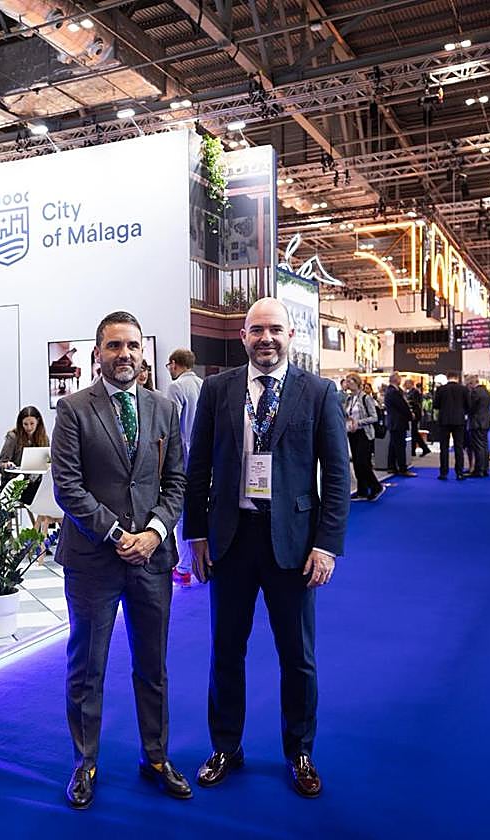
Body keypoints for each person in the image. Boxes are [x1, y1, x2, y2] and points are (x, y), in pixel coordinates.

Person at [183, 297, 349, 799]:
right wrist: (195, 535)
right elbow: (198, 469)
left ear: (291, 335)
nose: (266, 339)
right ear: (243, 337)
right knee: (225, 651)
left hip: (294, 547)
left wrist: (327, 544)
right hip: (231, 541)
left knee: (297, 656)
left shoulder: (318, 392)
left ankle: (299, 751)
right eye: (257, 330)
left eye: (275, 329)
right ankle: (225, 747)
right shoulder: (217, 389)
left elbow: (338, 477)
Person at [50, 310, 188, 810]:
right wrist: (115, 533)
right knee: (88, 666)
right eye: (114, 346)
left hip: (152, 560)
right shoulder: (73, 410)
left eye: (132, 346)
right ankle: (85, 762)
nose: (124, 354)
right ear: (97, 354)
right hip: (93, 559)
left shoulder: (162, 409)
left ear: (142, 353)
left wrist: (152, 533)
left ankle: (156, 757)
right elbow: (67, 486)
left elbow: (176, 482)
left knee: (153, 666)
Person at [165, 348, 203, 588]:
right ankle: (201, 564)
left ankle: (183, 568)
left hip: (183, 460)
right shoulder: (204, 384)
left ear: (173, 364)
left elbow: (169, 426)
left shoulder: (176, 387)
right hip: (205, 459)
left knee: (181, 517)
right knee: (202, 512)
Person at [342, 373, 383, 501]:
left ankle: (376, 486)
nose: (347, 383)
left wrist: (358, 422)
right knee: (357, 464)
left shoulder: (365, 398)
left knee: (363, 462)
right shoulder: (348, 399)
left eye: (350, 381)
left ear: (356, 382)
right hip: (352, 433)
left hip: (364, 433)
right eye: (347, 381)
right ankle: (362, 491)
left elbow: (374, 417)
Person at [433, 373, 470, 481]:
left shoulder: (441, 389)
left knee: (444, 448)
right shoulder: (463, 389)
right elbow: (469, 405)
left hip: (444, 421)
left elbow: (435, 405)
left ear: (447, 378)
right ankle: (459, 473)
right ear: (457, 378)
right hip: (459, 421)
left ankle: (443, 472)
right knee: (459, 447)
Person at [0, 406, 49, 472]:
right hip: (15, 480)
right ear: (21, 423)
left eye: (32, 424)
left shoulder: (44, 439)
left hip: (37, 480)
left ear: (38, 421)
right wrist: (7, 465)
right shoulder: (13, 437)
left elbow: (47, 464)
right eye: (25, 424)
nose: (29, 428)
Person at [383, 373, 416, 477]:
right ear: (395, 379)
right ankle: (402, 469)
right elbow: (402, 406)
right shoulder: (393, 392)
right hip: (398, 422)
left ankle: (392, 467)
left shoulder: (392, 391)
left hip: (394, 422)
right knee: (400, 446)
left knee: (393, 445)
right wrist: (411, 415)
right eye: (399, 378)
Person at [466, 376, 490, 478]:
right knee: (485, 446)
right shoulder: (486, 391)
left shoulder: (475, 392)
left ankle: (479, 470)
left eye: (468, 384)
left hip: (477, 423)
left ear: (471, 383)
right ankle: (485, 469)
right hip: (485, 422)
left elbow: (471, 407)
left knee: (478, 447)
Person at [405, 379, 431, 456]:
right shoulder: (411, 392)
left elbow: (416, 403)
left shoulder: (415, 392)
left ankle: (421, 449)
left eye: (406, 383)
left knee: (414, 432)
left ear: (410, 384)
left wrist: (408, 402)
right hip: (414, 414)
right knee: (414, 433)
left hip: (415, 415)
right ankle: (419, 449)